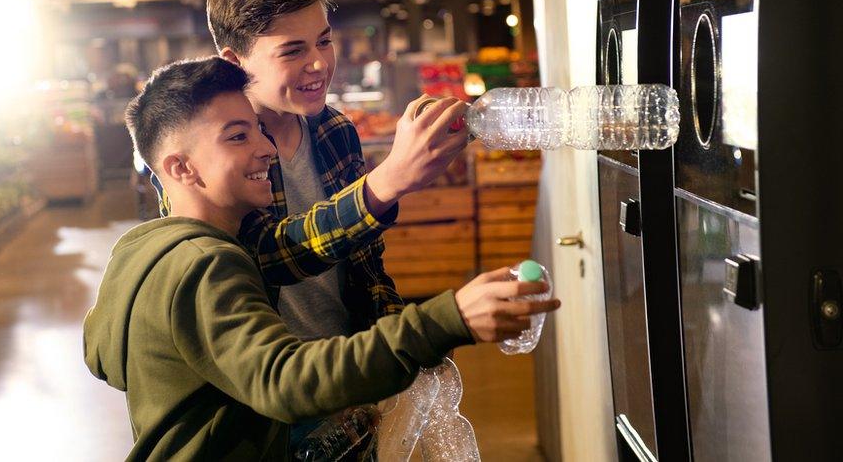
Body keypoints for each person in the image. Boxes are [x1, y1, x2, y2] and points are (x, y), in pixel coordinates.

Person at [84, 57, 560, 461]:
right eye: (237, 137)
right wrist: (447, 319)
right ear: (180, 168)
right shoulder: (205, 264)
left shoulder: (138, 249)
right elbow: (283, 381)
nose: (265, 149)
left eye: (257, 131)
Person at [151, 0, 472, 452]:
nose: (319, 63)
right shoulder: (212, 159)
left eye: (324, 40)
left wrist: (402, 352)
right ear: (235, 62)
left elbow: (365, 266)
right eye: (292, 50)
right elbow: (266, 257)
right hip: (268, 407)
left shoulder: (335, 130)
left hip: (351, 382)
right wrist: (388, 181)